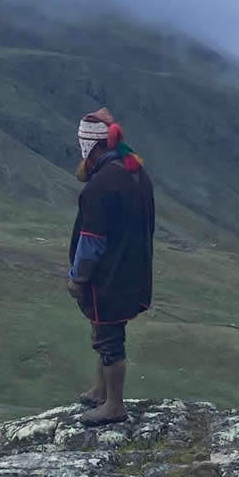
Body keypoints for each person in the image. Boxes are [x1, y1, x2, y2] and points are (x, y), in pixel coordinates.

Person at [67, 107, 155, 425]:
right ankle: (100, 390)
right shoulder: (135, 172)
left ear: (90, 145)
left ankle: (114, 404)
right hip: (133, 267)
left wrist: (78, 277)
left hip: (109, 274)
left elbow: (92, 241)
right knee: (106, 329)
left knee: (108, 336)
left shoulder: (102, 185)